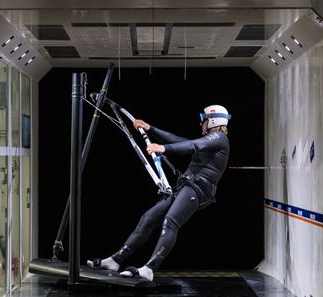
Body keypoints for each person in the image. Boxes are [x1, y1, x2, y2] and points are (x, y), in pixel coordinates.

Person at [87, 105, 231, 281]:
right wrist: (151, 129)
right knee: (148, 219)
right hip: (185, 186)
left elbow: (192, 145)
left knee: (170, 222)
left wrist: (163, 148)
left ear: (213, 120)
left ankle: (149, 269)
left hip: (198, 190)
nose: (201, 122)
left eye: (204, 119)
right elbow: (180, 140)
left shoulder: (220, 138)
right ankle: (115, 260)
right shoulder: (211, 140)